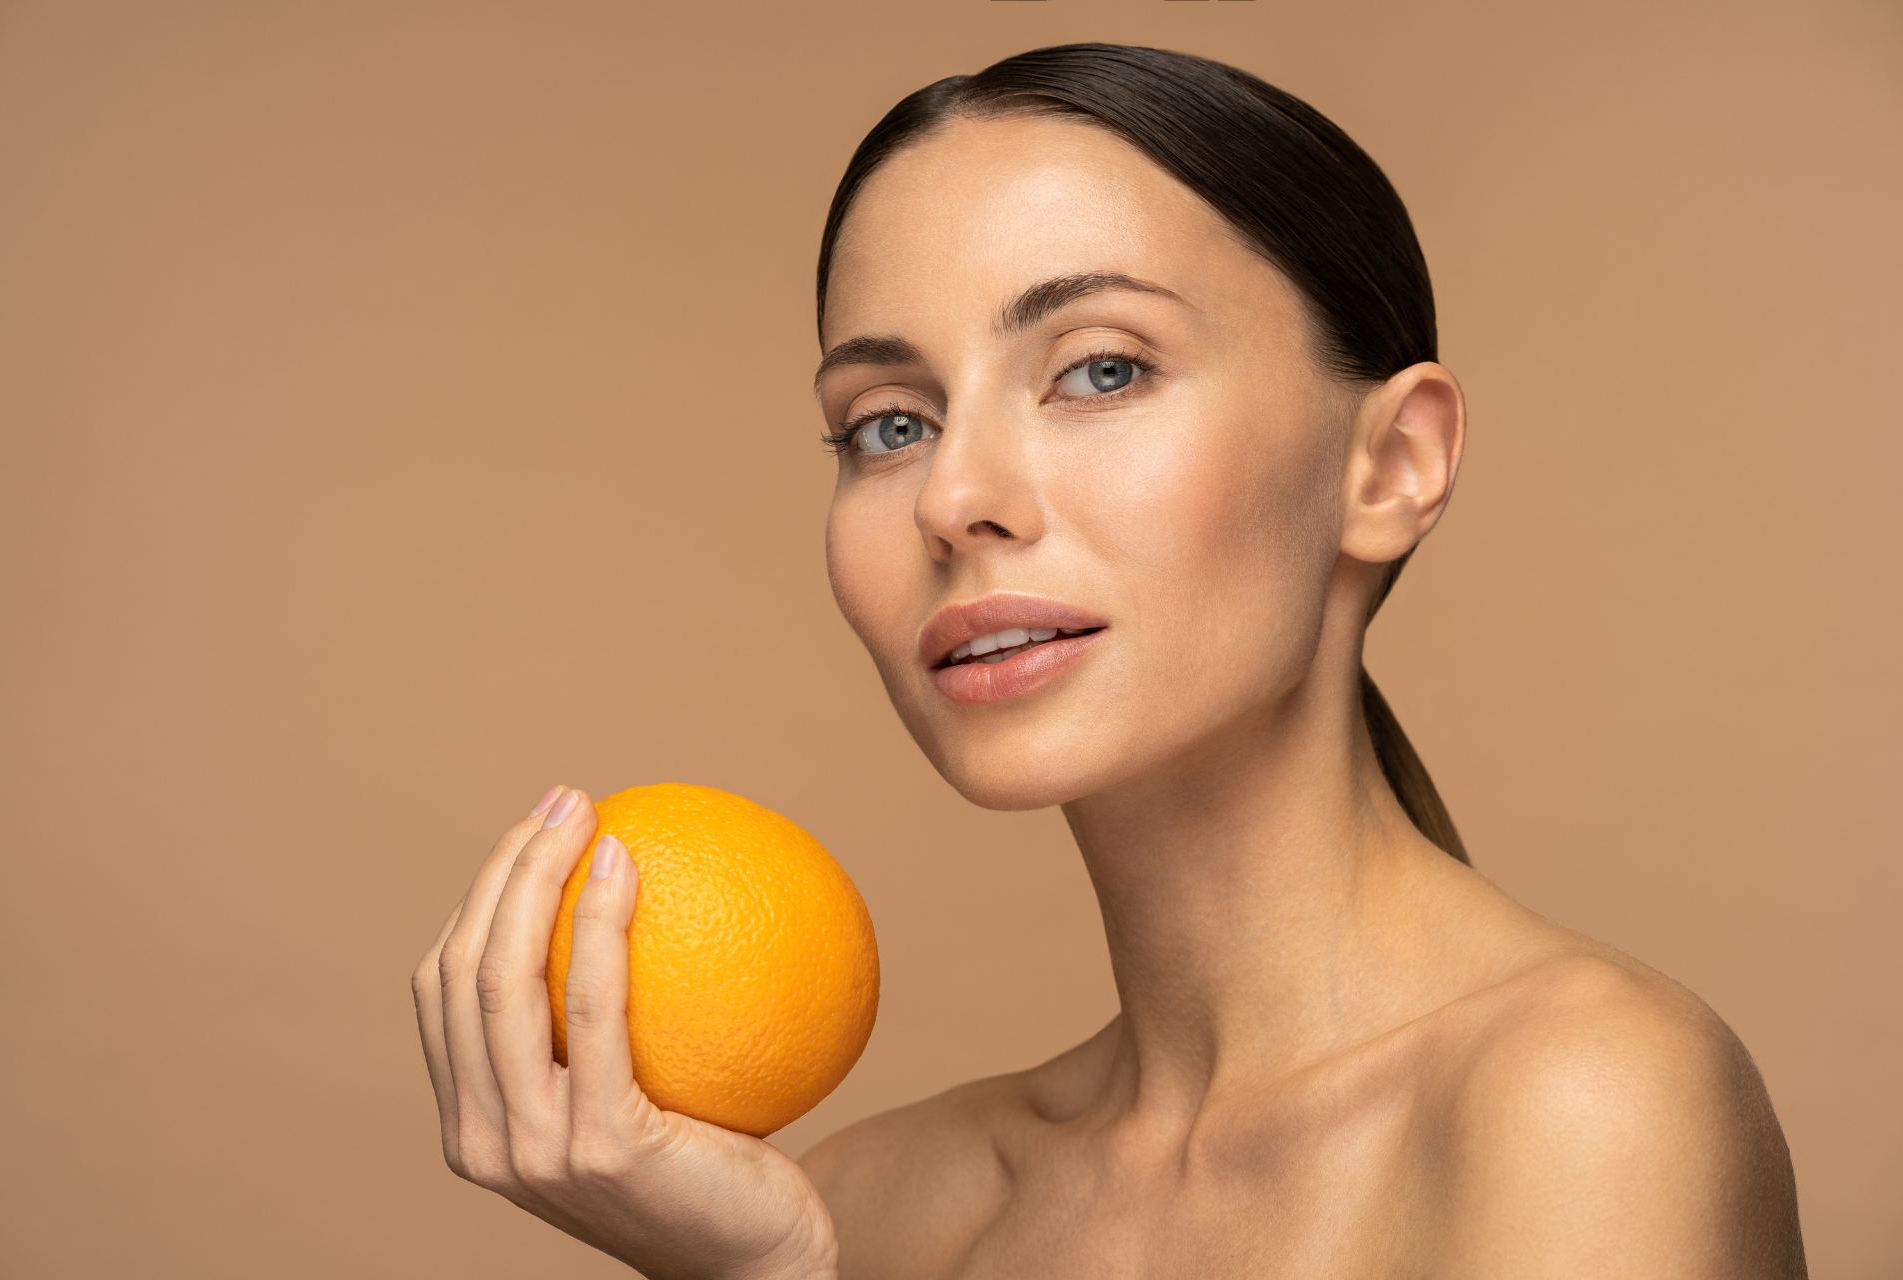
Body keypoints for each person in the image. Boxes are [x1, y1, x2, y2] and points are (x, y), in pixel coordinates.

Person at [411, 43, 1806, 1278]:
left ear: (1391, 463)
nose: (956, 498)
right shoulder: (860, 1211)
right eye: (887, 423)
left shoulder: (1588, 1103)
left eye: (1100, 369)